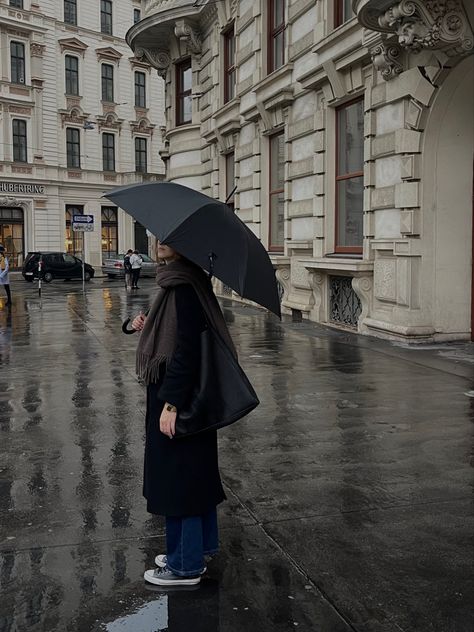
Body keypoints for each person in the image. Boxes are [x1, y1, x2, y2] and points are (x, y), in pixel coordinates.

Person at [131, 241, 236, 587]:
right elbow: (173, 336)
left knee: (179, 480)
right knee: (195, 472)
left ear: (187, 247)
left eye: (170, 239)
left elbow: (186, 352)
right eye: (160, 236)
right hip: (189, 398)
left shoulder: (182, 288)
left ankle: (184, 564)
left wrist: (171, 404)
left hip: (179, 399)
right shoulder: (181, 283)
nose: (160, 243)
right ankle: (199, 545)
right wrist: (144, 324)